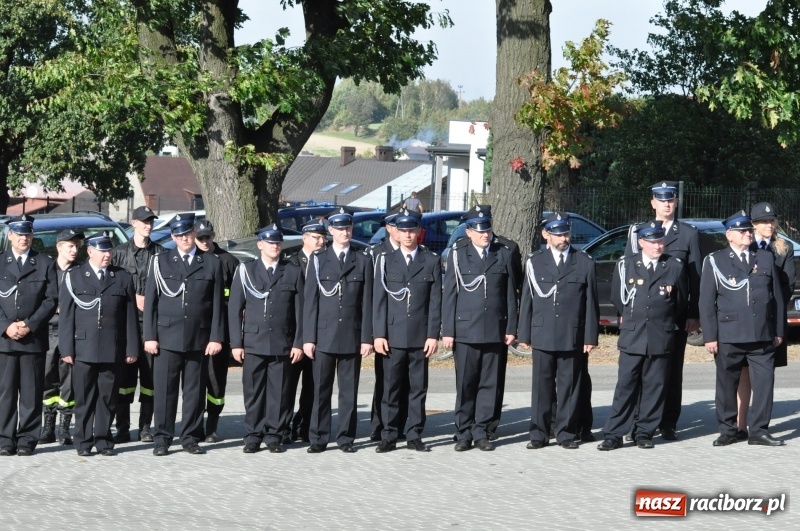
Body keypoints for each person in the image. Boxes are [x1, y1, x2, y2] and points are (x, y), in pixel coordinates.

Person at [598, 221, 688, 451]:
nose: (658, 246)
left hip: (661, 335)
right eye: (653, 241)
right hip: (633, 335)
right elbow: (619, 299)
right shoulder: (626, 265)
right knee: (625, 387)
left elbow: (679, 303)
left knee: (654, 387)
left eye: (660, 241)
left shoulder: (674, 266)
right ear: (641, 243)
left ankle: (644, 432)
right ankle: (614, 434)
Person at [700, 210, 785, 447]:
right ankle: (728, 429)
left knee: (765, 384)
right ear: (729, 235)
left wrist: (778, 331)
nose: (748, 234)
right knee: (727, 384)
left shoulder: (765, 258)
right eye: (742, 231)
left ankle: (758, 430)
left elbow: (776, 298)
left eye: (749, 230)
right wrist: (710, 336)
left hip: (761, 333)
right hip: (729, 334)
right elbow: (706, 302)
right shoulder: (715, 261)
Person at [624, 181, 701, 441]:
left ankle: (668, 421)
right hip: (641, 314)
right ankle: (638, 421)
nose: (667, 204)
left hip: (674, 314)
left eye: (671, 199)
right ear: (653, 202)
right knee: (637, 370)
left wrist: (693, 312)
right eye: (662, 199)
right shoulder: (638, 231)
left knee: (670, 370)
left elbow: (695, 276)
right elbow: (628, 270)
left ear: (676, 202)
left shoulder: (688, 233)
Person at [143, 213, 225, 456]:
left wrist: (215, 337)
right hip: (166, 337)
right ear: (173, 237)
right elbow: (151, 303)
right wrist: (149, 336)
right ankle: (163, 438)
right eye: (179, 235)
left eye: (187, 234)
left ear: (194, 234)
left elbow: (218, 303)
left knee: (194, 392)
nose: (184, 239)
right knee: (165, 391)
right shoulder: (160, 262)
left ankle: (190, 437)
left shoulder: (211, 263)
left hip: (198, 338)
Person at [518, 212, 598, 450]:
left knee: (569, 387)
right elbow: (527, 300)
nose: (564, 238)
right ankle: (539, 434)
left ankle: (565, 433)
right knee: (541, 387)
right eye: (558, 234)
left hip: (571, 334)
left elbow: (590, 304)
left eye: (566, 233)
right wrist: (524, 334)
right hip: (542, 333)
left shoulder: (583, 261)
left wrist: (590, 337)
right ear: (546, 235)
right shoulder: (535, 261)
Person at [442, 205, 517, 452]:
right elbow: (450, 295)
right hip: (465, 330)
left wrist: (511, 327)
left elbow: (509, 295)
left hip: (495, 328)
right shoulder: (458, 254)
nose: (486, 234)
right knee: (466, 383)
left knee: (489, 383)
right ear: (469, 231)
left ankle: (482, 430)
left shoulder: (502, 253)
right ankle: (463, 431)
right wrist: (448, 330)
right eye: (480, 230)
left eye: (488, 229)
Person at [59, 232, 139, 456]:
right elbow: (66, 317)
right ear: (90, 252)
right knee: (84, 398)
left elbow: (130, 316)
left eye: (109, 250)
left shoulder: (122, 277)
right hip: (83, 347)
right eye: (102, 251)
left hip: (112, 347)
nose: (107, 255)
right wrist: (66, 349)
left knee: (107, 397)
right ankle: (83, 441)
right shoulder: (74, 276)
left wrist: (132, 348)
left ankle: (103, 439)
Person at [303, 207, 373, 454]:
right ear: (330, 231)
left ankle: (345, 438)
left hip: (352, 336)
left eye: (348, 228)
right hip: (323, 336)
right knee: (321, 391)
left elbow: (368, 303)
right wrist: (308, 338)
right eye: (340, 228)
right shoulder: (319, 260)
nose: (345, 232)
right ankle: (319, 438)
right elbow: (310, 302)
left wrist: (367, 338)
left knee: (348, 392)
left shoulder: (363, 260)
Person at [229, 225, 304, 454]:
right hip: (253, 342)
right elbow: (234, 309)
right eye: (270, 243)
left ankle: (275, 435)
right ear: (260, 245)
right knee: (253, 392)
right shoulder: (246, 270)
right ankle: (253, 435)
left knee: (279, 393)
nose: (275, 246)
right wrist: (236, 343)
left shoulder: (292, 271)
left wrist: (299, 342)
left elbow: (300, 311)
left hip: (282, 342)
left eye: (278, 243)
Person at [372, 209, 441, 452]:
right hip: (392, 336)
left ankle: (414, 435)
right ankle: (389, 435)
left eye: (412, 230)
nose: (408, 235)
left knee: (417, 388)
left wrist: (433, 334)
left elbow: (435, 302)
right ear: (397, 234)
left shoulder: (431, 260)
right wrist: (378, 334)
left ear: (419, 232)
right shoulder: (385, 260)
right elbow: (378, 301)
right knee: (390, 388)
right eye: (403, 231)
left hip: (420, 336)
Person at [735, 202, 796, 439]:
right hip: (743, 321)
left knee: (763, 375)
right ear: (753, 224)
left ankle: (759, 427)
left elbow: (787, 285)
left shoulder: (783, 248)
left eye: (771, 221)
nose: (768, 225)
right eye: (763, 221)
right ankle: (740, 425)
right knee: (742, 373)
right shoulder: (744, 245)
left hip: (770, 319)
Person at [0, 215, 58, 456]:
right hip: (5, 339)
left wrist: (29, 324)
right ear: (10, 235)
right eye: (19, 234)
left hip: (33, 338)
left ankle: (27, 440)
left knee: (32, 392)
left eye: (28, 234)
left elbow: (51, 298)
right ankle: (5, 439)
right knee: (5, 392)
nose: (24, 238)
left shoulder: (44, 262)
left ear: (32, 236)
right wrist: (5, 325)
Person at [111, 205, 163, 443]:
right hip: (127, 326)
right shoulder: (118, 254)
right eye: (143, 221)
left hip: (154, 326)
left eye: (151, 221)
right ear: (133, 223)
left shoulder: (162, 254)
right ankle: (122, 427)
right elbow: (111, 289)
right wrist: (134, 299)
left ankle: (145, 427)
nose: (148, 225)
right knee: (124, 381)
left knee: (150, 381)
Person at [194, 219, 239, 443]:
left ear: (214, 236)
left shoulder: (229, 261)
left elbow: (238, 300)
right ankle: (194, 425)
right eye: (200, 237)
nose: (204, 241)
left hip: (220, 331)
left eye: (207, 237)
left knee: (215, 381)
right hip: (194, 331)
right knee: (194, 382)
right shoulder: (191, 260)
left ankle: (212, 426)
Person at [367, 209, 408, 442]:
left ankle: (400, 424)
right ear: (390, 228)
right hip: (386, 327)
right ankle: (379, 425)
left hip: (407, 328)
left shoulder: (416, 253)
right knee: (385, 381)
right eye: (394, 226)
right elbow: (374, 296)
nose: (399, 230)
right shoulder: (377, 253)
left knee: (406, 383)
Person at [39, 229, 83, 446]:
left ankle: (65, 428)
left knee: (69, 382)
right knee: (48, 380)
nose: (74, 250)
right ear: (59, 247)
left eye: (77, 246)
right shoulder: (46, 270)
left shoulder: (81, 272)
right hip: (48, 332)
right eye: (70, 246)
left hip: (72, 334)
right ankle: (48, 426)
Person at [284, 218, 326, 443]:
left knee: (313, 385)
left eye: (322, 237)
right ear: (304, 238)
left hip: (319, 335)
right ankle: (284, 426)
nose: (320, 241)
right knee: (287, 385)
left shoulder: (327, 261)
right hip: (293, 335)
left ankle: (305, 425)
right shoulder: (291, 263)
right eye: (315, 237)